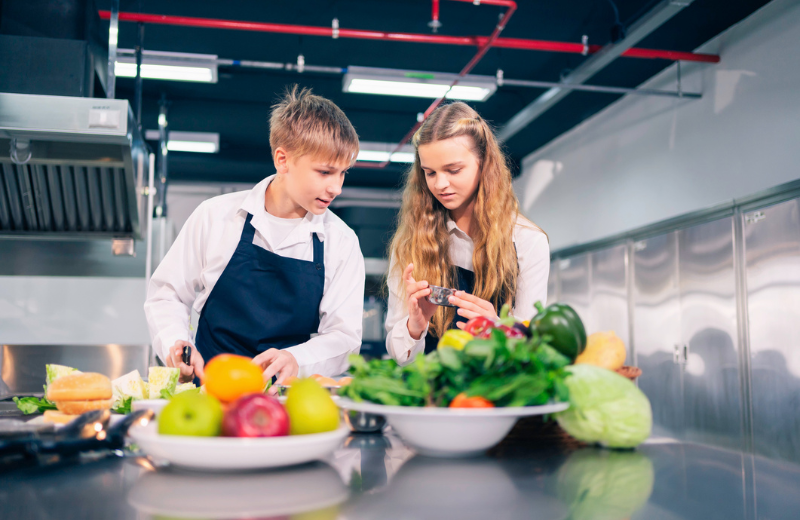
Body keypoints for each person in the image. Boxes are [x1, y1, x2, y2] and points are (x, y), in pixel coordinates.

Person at [144, 86, 365, 388]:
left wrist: (296, 359)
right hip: (207, 392)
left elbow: (344, 337)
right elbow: (167, 293)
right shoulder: (216, 216)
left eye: (343, 173)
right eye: (325, 172)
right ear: (283, 160)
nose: (336, 188)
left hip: (285, 398)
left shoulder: (341, 242)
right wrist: (177, 343)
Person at [385, 102, 549, 364]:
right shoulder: (409, 244)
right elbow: (399, 357)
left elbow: (533, 352)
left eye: (453, 170)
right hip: (432, 395)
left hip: (496, 397)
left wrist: (499, 329)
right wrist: (414, 326)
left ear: (483, 164)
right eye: (430, 173)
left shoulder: (528, 241)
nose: (440, 184)